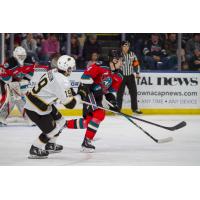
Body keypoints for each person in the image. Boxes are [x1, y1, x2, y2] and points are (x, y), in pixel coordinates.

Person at [65, 49, 123, 152]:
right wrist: (85, 93)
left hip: (98, 96)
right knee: (100, 114)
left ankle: (62, 124)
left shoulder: (119, 76)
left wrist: (113, 103)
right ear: (114, 60)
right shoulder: (99, 67)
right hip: (88, 92)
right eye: (120, 60)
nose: (122, 63)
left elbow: (110, 92)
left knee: (88, 122)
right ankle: (87, 141)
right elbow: (84, 79)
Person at [24, 55, 81, 159]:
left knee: (61, 121)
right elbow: (70, 105)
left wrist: (73, 94)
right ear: (67, 68)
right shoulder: (62, 81)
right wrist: (78, 98)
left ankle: (50, 144)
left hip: (40, 102)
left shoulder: (54, 71)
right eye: (72, 68)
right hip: (35, 108)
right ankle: (35, 148)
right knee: (52, 130)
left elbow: (63, 89)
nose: (72, 70)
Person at [0, 46, 37, 126]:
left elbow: (31, 71)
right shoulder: (9, 63)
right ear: (15, 55)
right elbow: (3, 75)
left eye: (23, 55)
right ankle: (28, 118)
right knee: (14, 98)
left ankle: (1, 117)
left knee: (18, 100)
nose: (21, 57)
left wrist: (26, 80)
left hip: (20, 82)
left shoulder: (30, 60)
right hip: (6, 82)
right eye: (19, 56)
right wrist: (11, 82)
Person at [117, 41, 142, 115]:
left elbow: (136, 64)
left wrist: (137, 73)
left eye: (127, 46)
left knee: (133, 92)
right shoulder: (118, 55)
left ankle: (135, 109)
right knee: (120, 93)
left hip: (130, 76)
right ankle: (118, 109)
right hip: (121, 76)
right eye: (124, 46)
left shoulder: (132, 54)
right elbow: (114, 64)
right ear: (121, 46)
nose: (126, 47)